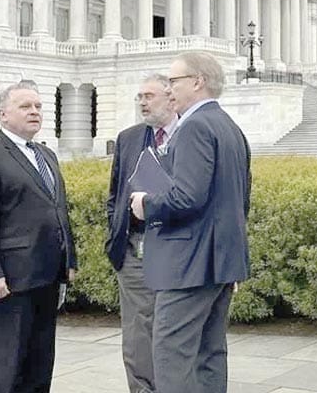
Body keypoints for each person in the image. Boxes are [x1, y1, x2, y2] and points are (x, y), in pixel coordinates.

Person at [130, 51, 251, 393]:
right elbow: (239, 199)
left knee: (172, 356)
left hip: (188, 264)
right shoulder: (229, 126)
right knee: (209, 354)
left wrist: (145, 203)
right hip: (219, 261)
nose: (168, 90)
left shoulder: (195, 126)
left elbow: (187, 197)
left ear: (197, 82)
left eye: (173, 82)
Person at [0, 81, 77, 393]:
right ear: (3, 114)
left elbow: (58, 209)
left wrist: (69, 259)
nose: (35, 112)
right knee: (1, 366)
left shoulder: (46, 155)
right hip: (8, 281)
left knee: (38, 365)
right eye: (25, 106)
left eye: (38, 106)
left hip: (47, 277)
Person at [106, 73, 179, 393]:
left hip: (178, 251)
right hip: (135, 251)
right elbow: (115, 194)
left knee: (176, 331)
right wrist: (115, 235)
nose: (143, 102)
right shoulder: (128, 138)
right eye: (140, 97)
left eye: (149, 96)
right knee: (137, 335)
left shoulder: (192, 134)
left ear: (171, 97)